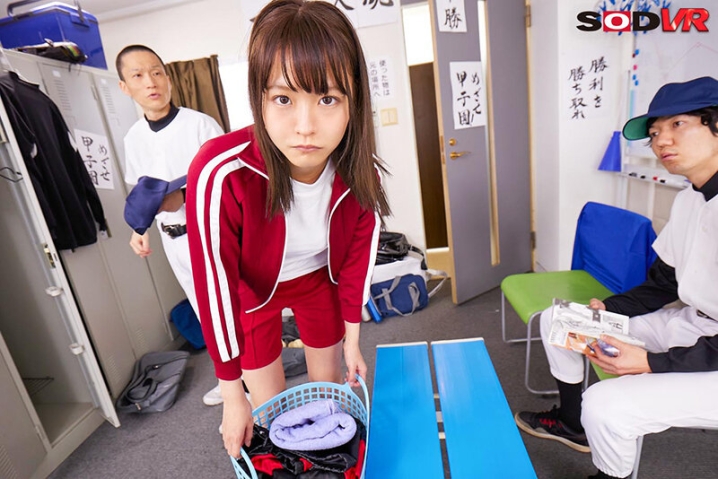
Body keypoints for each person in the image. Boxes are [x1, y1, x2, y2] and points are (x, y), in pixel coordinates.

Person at [185, 0, 390, 459]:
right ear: (257, 97)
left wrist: (353, 340)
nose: (305, 127)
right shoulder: (220, 170)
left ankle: (329, 461)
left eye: (328, 99)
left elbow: (357, 259)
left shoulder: (361, 173)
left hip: (318, 281)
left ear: (354, 101)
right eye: (283, 99)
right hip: (252, 289)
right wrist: (232, 395)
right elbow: (215, 286)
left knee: (331, 392)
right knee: (267, 409)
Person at [514, 76, 718, 479]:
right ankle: (572, 424)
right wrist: (607, 309)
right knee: (561, 320)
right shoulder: (689, 200)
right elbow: (663, 284)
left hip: (711, 352)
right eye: (654, 133)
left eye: (678, 124)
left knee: (606, 405)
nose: (661, 141)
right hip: (693, 326)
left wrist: (650, 362)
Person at [117, 44, 227, 407]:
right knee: (203, 310)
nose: (151, 82)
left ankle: (252, 377)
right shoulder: (133, 138)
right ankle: (230, 379)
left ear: (168, 77)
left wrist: (184, 196)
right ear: (125, 87)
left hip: (209, 233)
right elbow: (143, 193)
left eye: (156, 72)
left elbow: (227, 181)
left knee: (227, 307)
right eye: (138, 75)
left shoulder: (199, 124)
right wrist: (139, 230)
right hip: (172, 239)